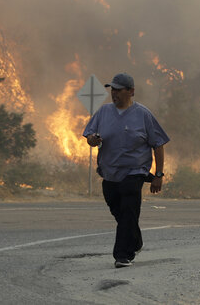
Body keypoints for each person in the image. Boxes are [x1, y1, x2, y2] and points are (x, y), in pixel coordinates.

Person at [83, 72, 170, 268]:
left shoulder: (143, 115)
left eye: (118, 90)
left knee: (129, 209)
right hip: (109, 172)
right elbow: (89, 136)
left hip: (135, 172)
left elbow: (158, 144)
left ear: (130, 91)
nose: (114, 93)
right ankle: (136, 240)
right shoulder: (103, 112)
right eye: (112, 89)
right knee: (119, 211)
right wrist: (93, 140)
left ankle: (122, 255)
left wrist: (158, 175)